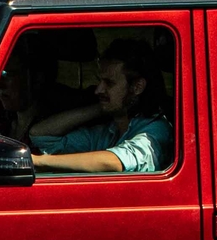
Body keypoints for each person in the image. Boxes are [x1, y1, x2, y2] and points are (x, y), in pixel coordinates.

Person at [29, 37, 173, 174]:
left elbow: (116, 161)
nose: (98, 90)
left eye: (109, 83)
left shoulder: (156, 129)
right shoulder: (109, 131)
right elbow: (41, 135)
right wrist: (102, 107)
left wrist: (39, 162)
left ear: (137, 87)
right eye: (100, 82)